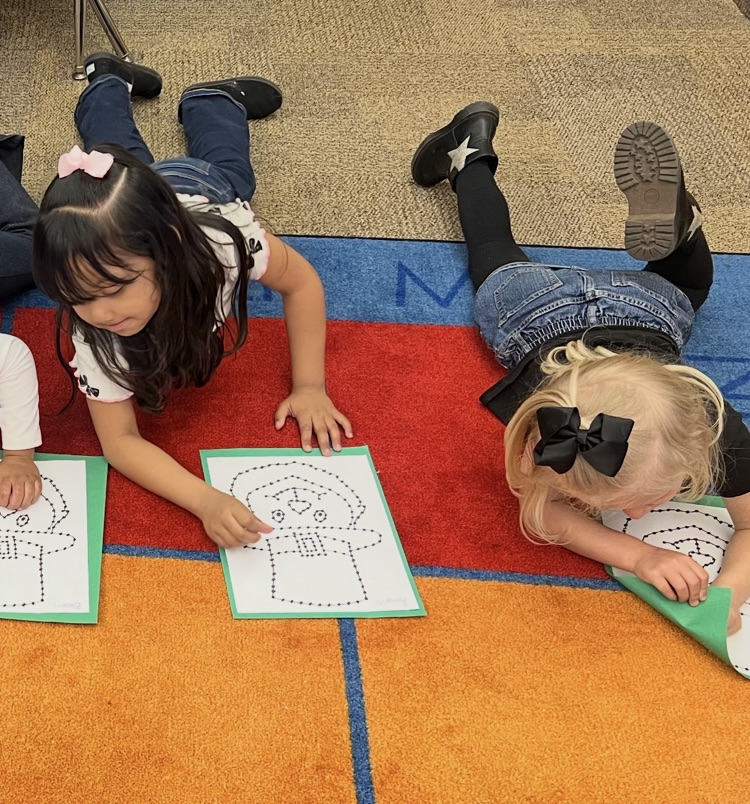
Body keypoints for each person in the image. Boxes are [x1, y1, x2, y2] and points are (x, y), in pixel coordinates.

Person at [411, 103, 750, 634]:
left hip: (614, 307)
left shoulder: (579, 422)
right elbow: (541, 512)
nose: (638, 520)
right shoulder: (552, 422)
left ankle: (470, 153)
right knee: (494, 253)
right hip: (546, 310)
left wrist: (728, 593)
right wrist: (639, 556)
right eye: (640, 506)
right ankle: (472, 153)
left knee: (683, 287)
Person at [32, 53, 352, 549]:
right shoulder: (92, 333)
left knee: (228, 168)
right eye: (76, 297)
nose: (100, 313)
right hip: (129, 211)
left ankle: (212, 99)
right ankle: (107, 78)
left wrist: (310, 386)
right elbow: (119, 443)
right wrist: (205, 500)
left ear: (169, 253)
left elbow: (302, 284)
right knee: (110, 157)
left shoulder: (224, 246)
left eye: (116, 288)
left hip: (201, 192)